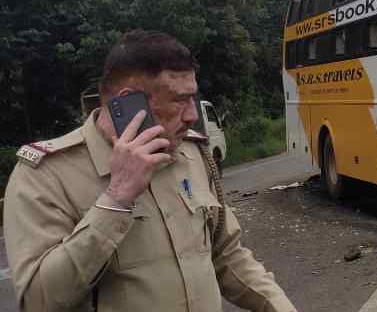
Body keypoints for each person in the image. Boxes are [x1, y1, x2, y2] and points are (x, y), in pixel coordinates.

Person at [4, 30, 297, 312]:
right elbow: (38, 301)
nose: (193, 115)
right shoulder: (45, 175)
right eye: (180, 99)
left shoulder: (190, 154)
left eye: (193, 97)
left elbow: (227, 256)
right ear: (130, 102)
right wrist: (116, 200)